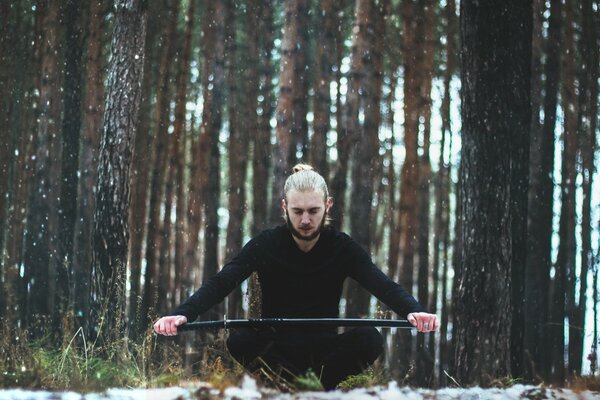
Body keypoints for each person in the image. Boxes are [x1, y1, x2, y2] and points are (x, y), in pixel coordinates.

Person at [154, 164, 439, 389]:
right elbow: (223, 281)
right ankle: (289, 387)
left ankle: (313, 389)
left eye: (313, 211)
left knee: (369, 338)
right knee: (240, 340)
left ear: (328, 205)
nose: (305, 220)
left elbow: (383, 285)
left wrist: (414, 310)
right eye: (298, 211)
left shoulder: (342, 247)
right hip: (276, 350)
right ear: (284, 208)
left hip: (325, 355)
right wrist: (183, 314)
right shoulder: (266, 243)